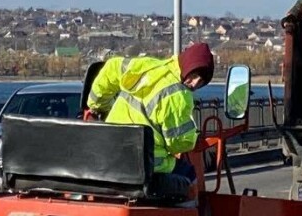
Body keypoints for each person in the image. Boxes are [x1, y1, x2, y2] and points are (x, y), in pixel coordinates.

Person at [86, 42, 215, 179]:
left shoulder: (150, 66)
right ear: (187, 66)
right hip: (148, 165)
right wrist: (193, 137)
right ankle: (193, 201)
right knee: (189, 174)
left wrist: (98, 105)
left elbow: (112, 68)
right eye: (194, 75)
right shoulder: (179, 96)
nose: (195, 84)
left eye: (201, 82)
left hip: (110, 156)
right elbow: (178, 144)